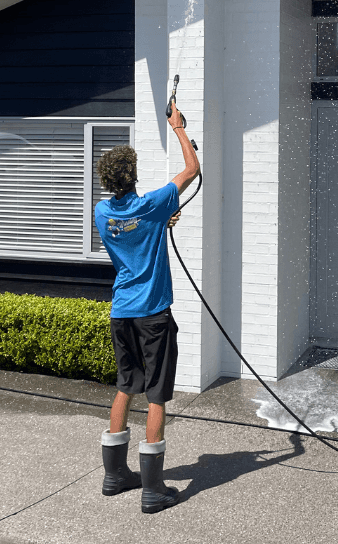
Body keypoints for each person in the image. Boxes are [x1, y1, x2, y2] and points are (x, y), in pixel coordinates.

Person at [94, 101, 200, 514]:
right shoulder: (151, 206)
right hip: (153, 314)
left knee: (126, 385)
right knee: (156, 394)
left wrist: (162, 219)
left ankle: (114, 475)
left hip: (121, 311)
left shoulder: (103, 211)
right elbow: (191, 171)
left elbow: (136, 224)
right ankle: (153, 490)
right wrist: (178, 128)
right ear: (134, 176)